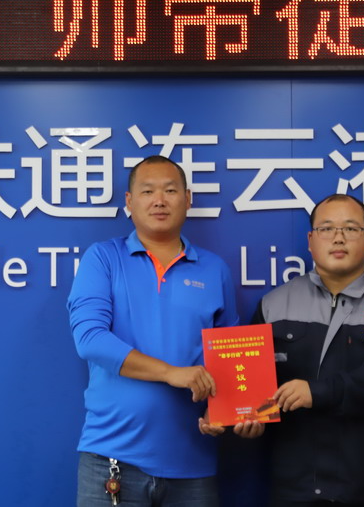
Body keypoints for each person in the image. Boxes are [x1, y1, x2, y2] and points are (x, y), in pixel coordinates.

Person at [67, 155, 239, 507]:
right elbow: (90, 340)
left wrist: (225, 411)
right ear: (129, 202)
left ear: (187, 199)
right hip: (112, 460)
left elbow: (228, 355)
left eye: (170, 191)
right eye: (147, 191)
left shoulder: (214, 269)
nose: (159, 200)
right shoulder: (103, 258)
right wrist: (170, 373)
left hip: (193, 464)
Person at [251, 193, 364, 507]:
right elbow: (253, 391)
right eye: (327, 228)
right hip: (295, 488)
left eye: (351, 228)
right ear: (310, 240)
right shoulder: (273, 305)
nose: (338, 237)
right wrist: (244, 420)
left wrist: (316, 392)